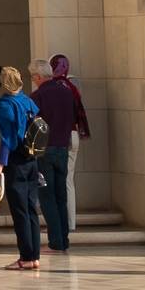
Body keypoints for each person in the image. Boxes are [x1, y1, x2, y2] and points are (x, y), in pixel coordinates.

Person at [30, 55, 89, 256]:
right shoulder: (67, 93)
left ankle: (56, 241)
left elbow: (33, 125)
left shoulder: (37, 97)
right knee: (60, 195)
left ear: (39, 76)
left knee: (47, 196)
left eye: (33, 77)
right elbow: (73, 118)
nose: (33, 80)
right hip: (63, 148)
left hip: (45, 150)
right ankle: (63, 239)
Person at [0, 64, 45, 271]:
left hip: (16, 160)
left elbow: (7, 138)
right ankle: (34, 256)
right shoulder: (28, 101)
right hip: (32, 160)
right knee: (31, 210)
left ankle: (25, 257)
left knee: (20, 211)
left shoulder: (5, 105)